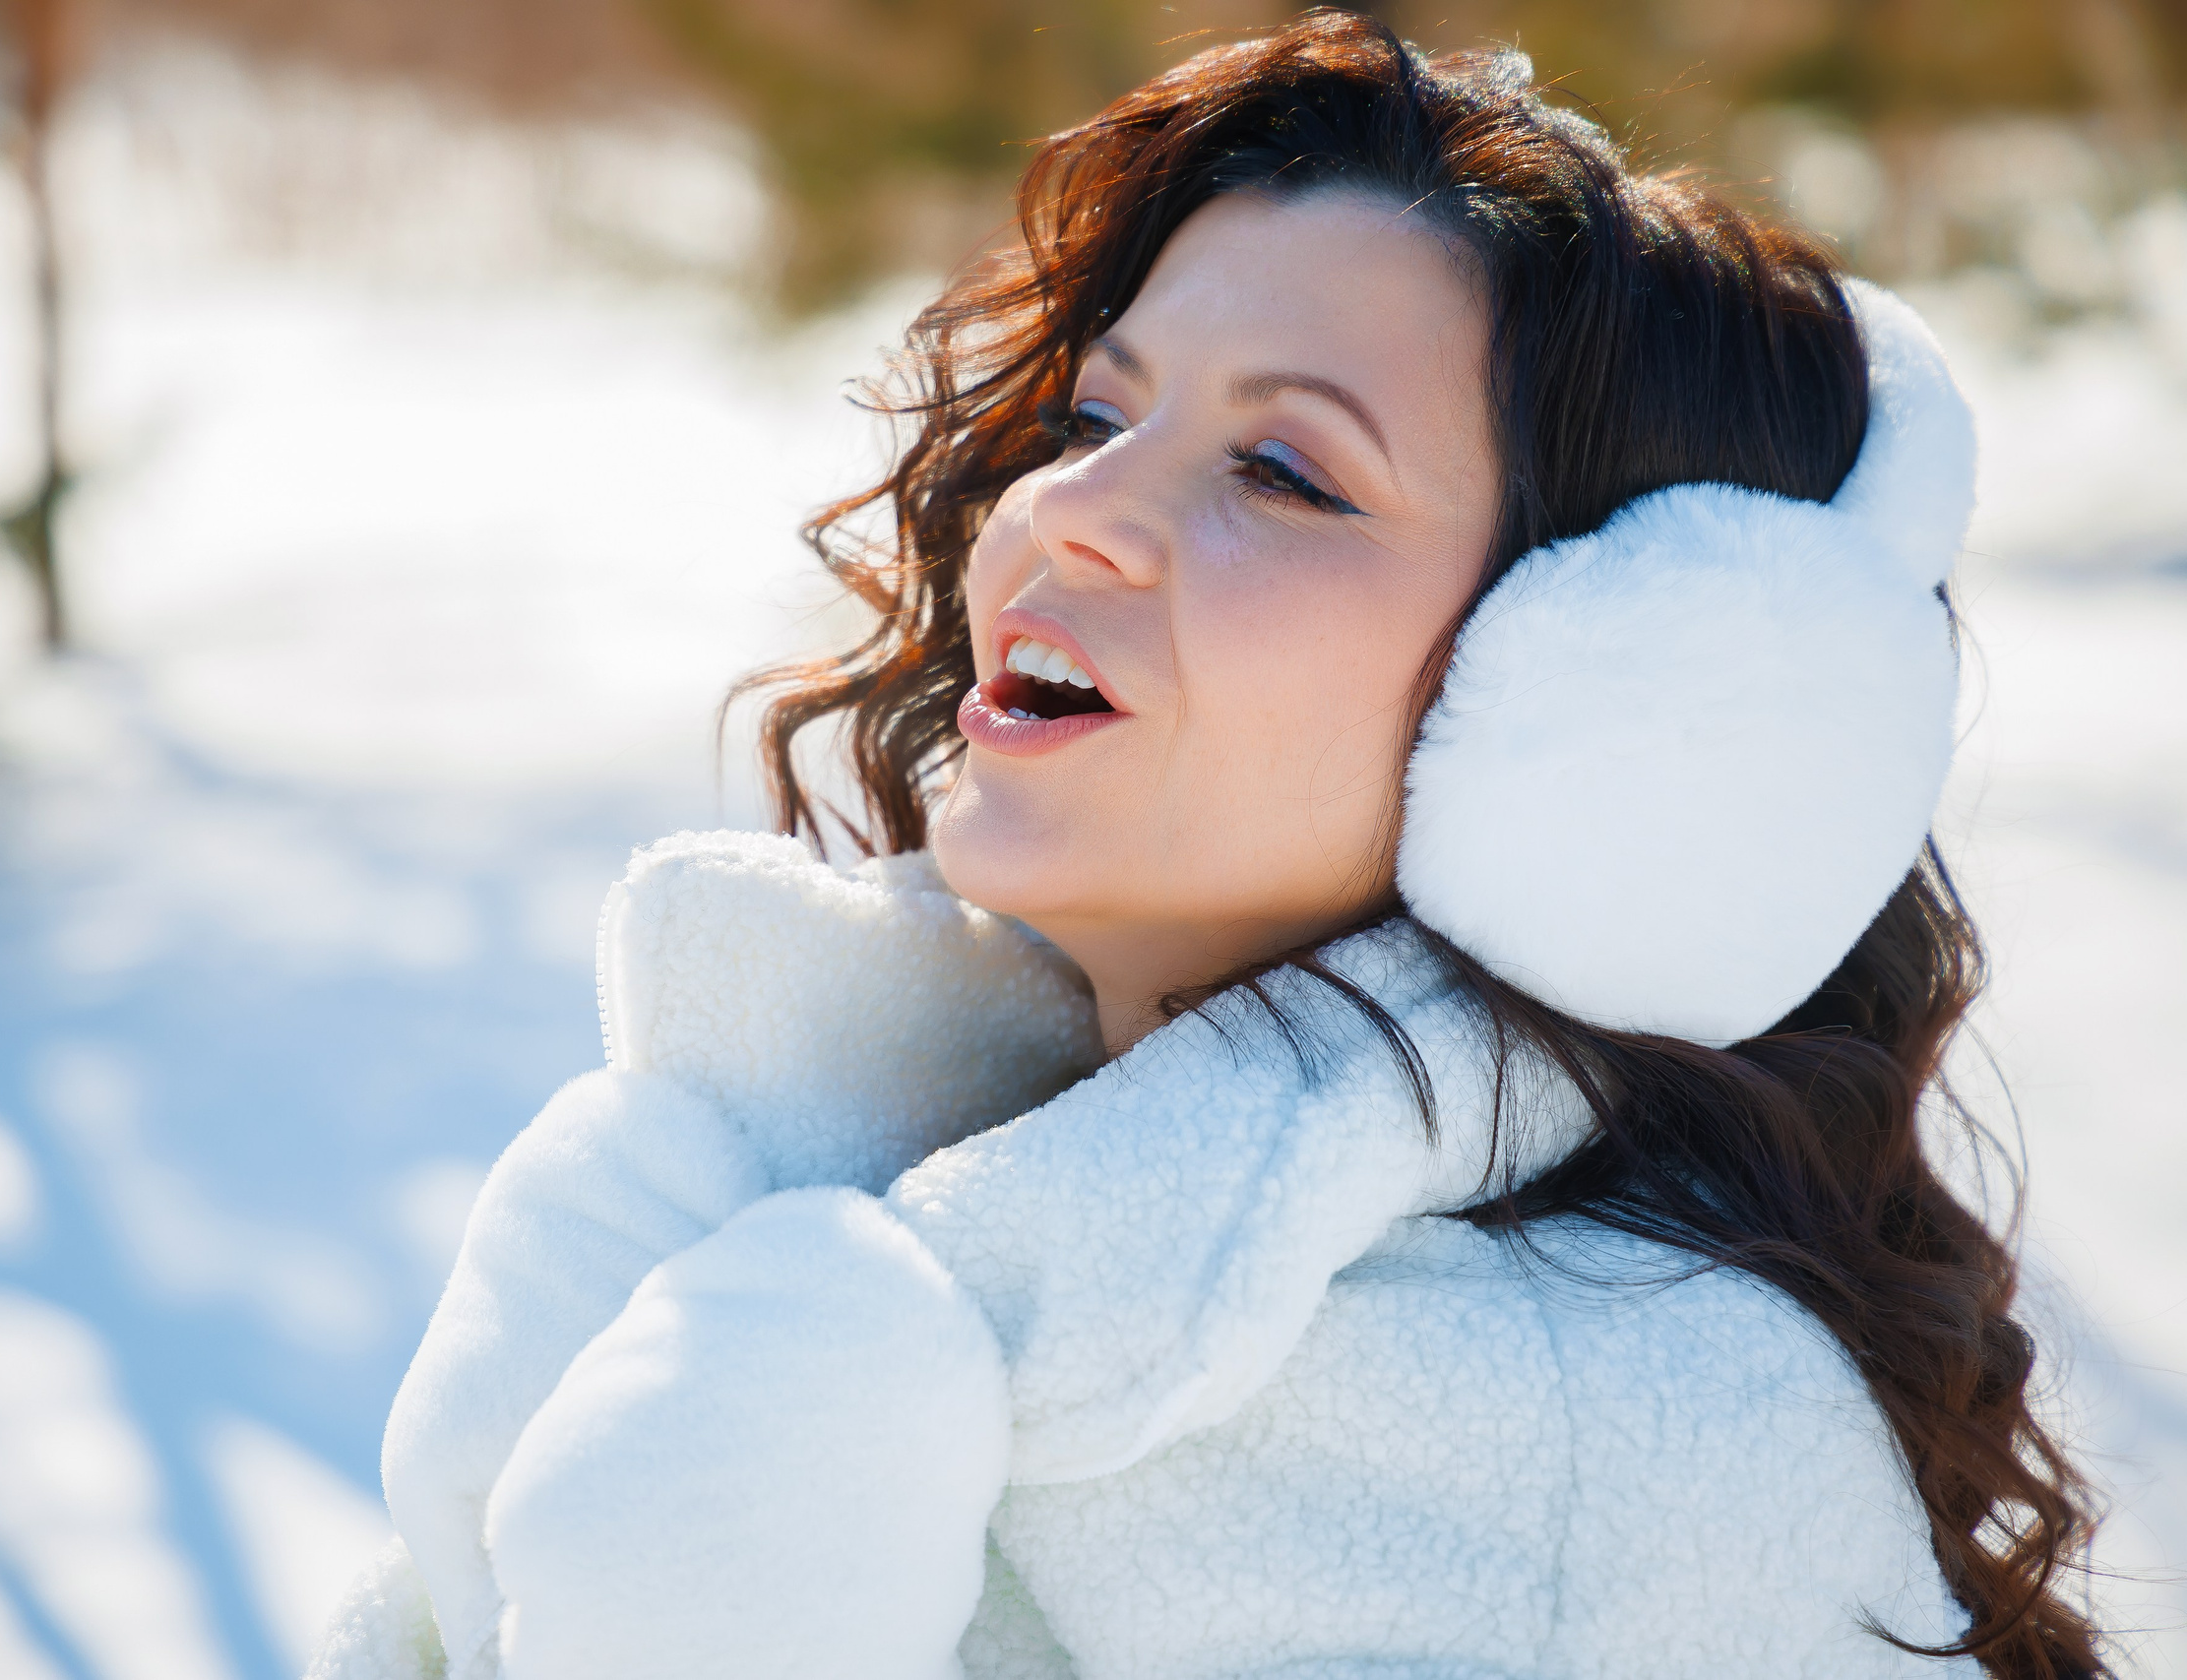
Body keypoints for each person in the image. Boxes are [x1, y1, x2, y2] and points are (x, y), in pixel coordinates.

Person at [314, 14, 2104, 1680]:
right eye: (1101, 417)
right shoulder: (802, 1199)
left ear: (1598, 726)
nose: (1072, 511)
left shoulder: (1610, 1462)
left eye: (1287, 474)